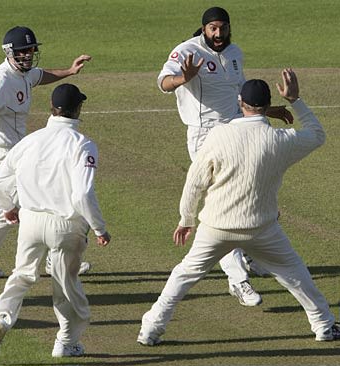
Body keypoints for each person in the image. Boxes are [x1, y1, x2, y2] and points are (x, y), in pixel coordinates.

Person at [137, 68, 340, 345]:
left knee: (183, 275)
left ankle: (150, 330)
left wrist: (186, 219)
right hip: (262, 229)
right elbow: (317, 135)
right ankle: (324, 326)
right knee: (295, 274)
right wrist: (295, 100)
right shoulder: (281, 141)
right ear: (268, 107)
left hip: (216, 227)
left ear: (240, 102)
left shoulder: (219, 135)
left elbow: (195, 181)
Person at [157, 7, 291, 306]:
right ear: (204, 28)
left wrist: (268, 110)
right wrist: (183, 79)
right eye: (213, 29)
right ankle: (237, 280)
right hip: (206, 136)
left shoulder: (235, 53)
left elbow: (236, 96)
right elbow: (163, 82)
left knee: (254, 193)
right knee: (223, 206)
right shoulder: (186, 51)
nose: (218, 34)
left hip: (238, 128)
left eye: (223, 28)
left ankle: (254, 256)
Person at [0, 83, 111, 361]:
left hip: (30, 221)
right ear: (78, 108)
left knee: (21, 276)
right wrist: (99, 228)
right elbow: (82, 194)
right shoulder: (83, 144)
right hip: (66, 225)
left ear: (52, 109)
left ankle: (0, 321)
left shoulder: (30, 140)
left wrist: (7, 207)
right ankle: (66, 342)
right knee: (66, 288)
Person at [0, 26, 93, 278]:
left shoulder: (23, 73)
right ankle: (56, 261)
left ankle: (56, 260)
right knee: (8, 212)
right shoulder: (0, 80)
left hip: (21, 153)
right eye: (22, 52)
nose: (27, 56)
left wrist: (69, 71)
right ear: (9, 53)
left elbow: (40, 75)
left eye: (30, 51)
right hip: (2, 154)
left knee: (40, 203)